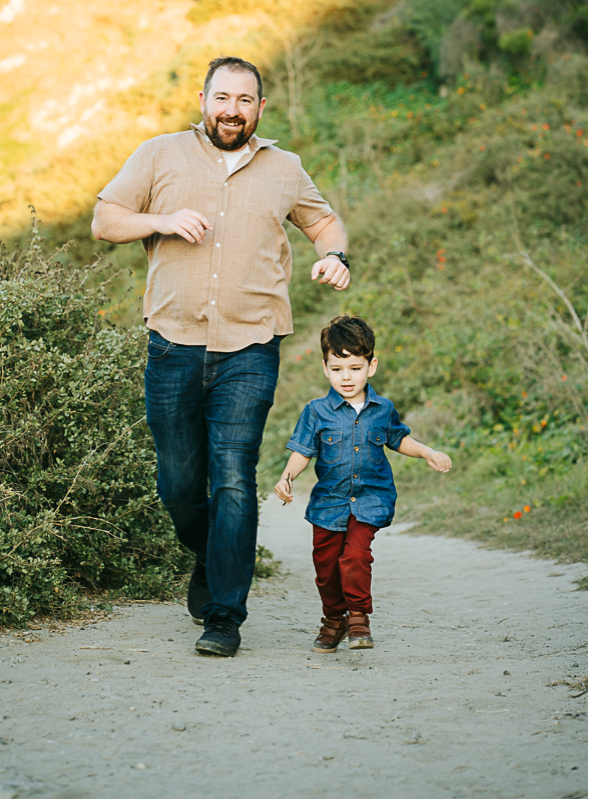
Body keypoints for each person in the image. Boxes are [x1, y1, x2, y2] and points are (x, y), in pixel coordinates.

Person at [91, 56, 351, 657]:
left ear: (260, 108)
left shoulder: (284, 168)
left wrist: (335, 257)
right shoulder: (159, 154)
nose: (232, 110)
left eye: (245, 100)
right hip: (173, 342)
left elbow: (325, 224)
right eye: (222, 98)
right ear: (203, 101)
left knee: (233, 478)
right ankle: (211, 556)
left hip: (250, 347)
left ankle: (224, 616)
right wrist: (161, 219)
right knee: (180, 483)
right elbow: (106, 219)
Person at [274, 314, 452, 652]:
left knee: (355, 557)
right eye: (338, 369)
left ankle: (358, 617)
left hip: (370, 500)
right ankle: (333, 619)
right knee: (326, 569)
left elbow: (399, 440)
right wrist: (287, 477)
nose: (346, 377)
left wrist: (427, 451)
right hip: (328, 504)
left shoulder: (382, 409)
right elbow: (302, 450)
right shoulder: (316, 411)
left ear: (371, 366)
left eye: (355, 368)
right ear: (325, 368)